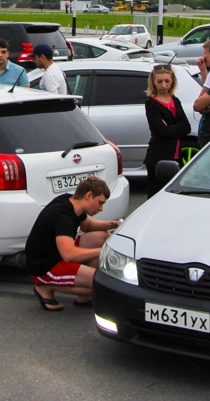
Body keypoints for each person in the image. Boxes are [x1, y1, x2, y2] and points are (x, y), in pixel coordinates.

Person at [25, 177, 121, 312]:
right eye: (100, 203)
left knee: (102, 236)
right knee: (99, 282)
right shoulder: (63, 216)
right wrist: (103, 251)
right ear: (88, 195)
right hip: (45, 266)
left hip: (57, 252)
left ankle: (83, 298)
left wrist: (114, 224)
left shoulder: (70, 201)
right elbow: (69, 254)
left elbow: (87, 225)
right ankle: (44, 286)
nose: (101, 208)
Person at [144, 64, 191, 197]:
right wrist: (177, 126)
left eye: (167, 81)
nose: (164, 85)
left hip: (176, 156)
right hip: (158, 156)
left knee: (175, 193)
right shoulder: (151, 104)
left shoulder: (175, 100)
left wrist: (170, 127)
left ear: (172, 81)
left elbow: (187, 127)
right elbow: (163, 132)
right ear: (153, 82)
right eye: (159, 82)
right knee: (157, 194)